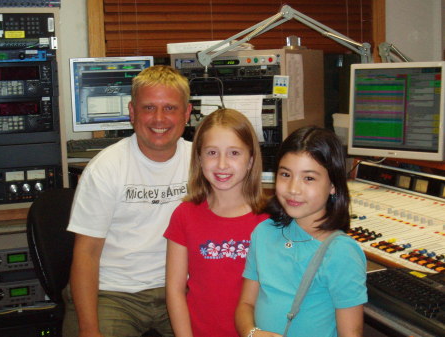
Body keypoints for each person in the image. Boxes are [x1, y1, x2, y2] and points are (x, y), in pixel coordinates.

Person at [62, 65, 193, 337]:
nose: (159, 119)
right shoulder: (106, 167)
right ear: (132, 112)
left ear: (187, 113)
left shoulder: (203, 162)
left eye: (169, 108)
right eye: (148, 108)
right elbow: (86, 254)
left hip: (182, 288)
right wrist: (89, 330)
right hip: (112, 293)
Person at [235, 126, 367, 337]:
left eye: (309, 178)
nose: (293, 189)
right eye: (285, 174)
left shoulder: (341, 252)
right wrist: (252, 333)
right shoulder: (263, 232)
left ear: (333, 185)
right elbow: (245, 304)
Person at [164, 108, 269, 337]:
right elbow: (174, 290)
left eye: (234, 153)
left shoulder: (268, 219)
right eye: (212, 152)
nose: (222, 164)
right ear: (199, 158)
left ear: (250, 160)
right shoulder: (184, 215)